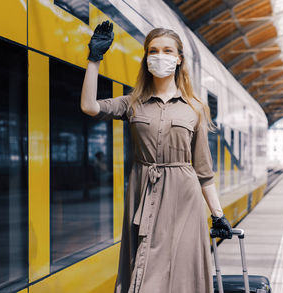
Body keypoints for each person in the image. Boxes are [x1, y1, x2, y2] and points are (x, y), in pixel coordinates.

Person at [80, 20, 232, 293]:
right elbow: (89, 107)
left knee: (182, 275)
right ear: (146, 58)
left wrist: (218, 215)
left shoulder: (195, 108)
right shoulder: (132, 103)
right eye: (153, 50)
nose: (159, 56)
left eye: (166, 50)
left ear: (178, 59)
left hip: (185, 200)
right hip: (144, 192)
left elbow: (203, 170)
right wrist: (94, 60)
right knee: (145, 274)